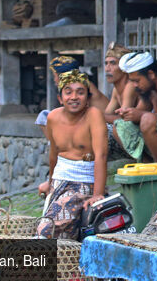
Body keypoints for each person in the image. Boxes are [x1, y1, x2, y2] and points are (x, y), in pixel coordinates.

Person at [36, 70, 108, 240]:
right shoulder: (53, 117)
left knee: (46, 231)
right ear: (60, 98)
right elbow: (54, 153)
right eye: (68, 92)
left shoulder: (93, 115)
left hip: (84, 183)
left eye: (80, 92)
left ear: (88, 99)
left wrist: (98, 194)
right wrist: (50, 182)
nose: (74, 97)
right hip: (59, 181)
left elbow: (101, 156)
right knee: (59, 233)